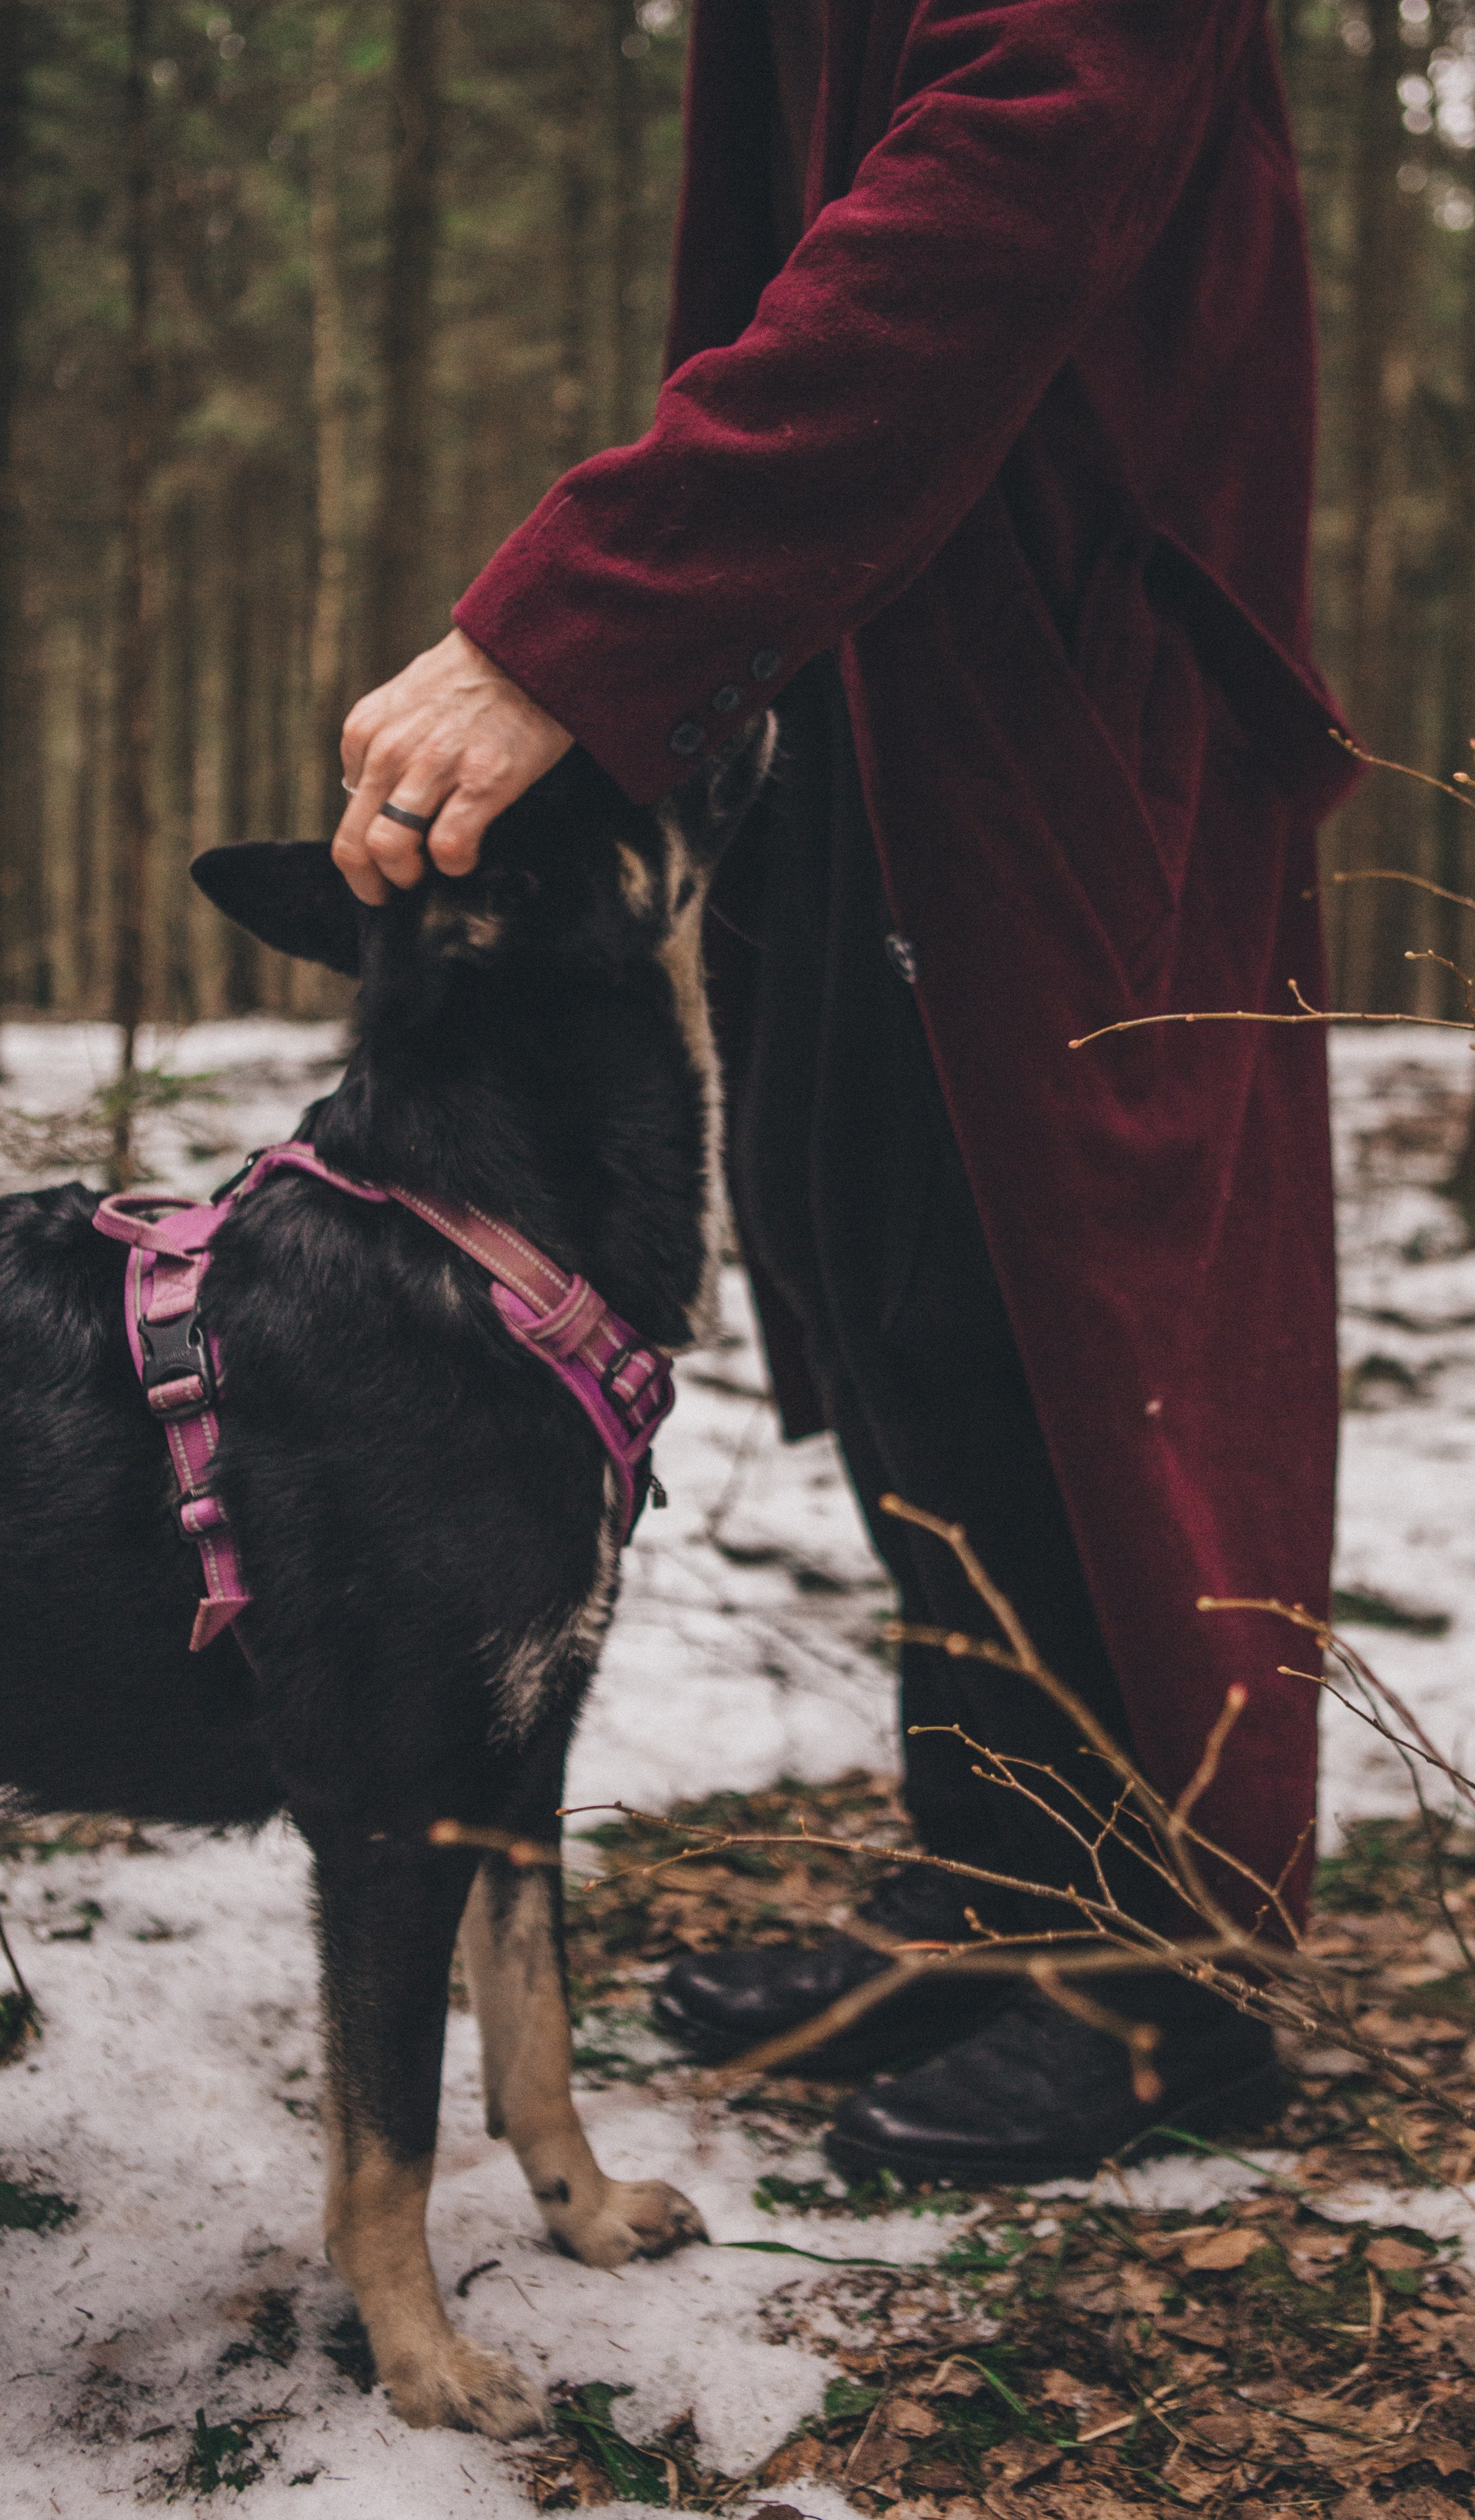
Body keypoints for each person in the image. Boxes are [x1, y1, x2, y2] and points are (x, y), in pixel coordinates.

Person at [331, 0, 1358, 2184]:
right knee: (893, 1282)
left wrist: (579, 620)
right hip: (859, 649)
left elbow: (1004, 186)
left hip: (1064, 659)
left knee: (1076, 1303)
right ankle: (1003, 1887)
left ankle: (1167, 1980)